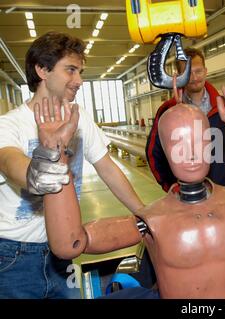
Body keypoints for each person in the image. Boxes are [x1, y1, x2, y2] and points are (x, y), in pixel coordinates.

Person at [36, 77, 225, 298]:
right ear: (165, 152)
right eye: (178, 144)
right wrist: (54, 156)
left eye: (199, 141)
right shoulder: (152, 221)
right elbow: (70, 244)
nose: (191, 153)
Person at [0, 32, 144, 299]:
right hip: (14, 257)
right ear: (42, 70)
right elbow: (12, 165)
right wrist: (47, 157)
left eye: (80, 71)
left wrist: (146, 213)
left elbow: (107, 168)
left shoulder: (79, 117)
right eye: (71, 70)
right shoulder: (10, 124)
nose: (79, 81)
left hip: (63, 252)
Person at [146, 47, 225, 192]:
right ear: (179, 76)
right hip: (185, 194)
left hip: (223, 189)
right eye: (188, 73)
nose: (195, 77)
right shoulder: (167, 111)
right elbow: (154, 152)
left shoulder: (223, 107)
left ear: (205, 71)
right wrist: (171, 185)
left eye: (198, 71)